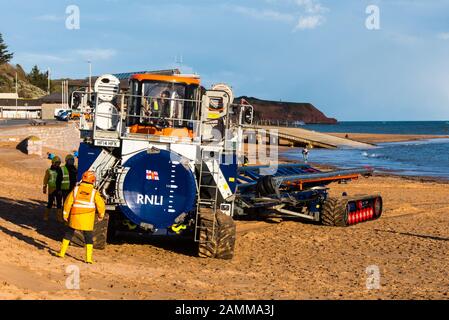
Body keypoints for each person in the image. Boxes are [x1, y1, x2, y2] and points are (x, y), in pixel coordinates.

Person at [56, 171, 105, 264]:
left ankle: (62, 253)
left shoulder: (76, 189)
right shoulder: (94, 192)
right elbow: (101, 205)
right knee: (88, 237)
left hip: (75, 217)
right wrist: (101, 215)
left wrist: (65, 214)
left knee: (69, 233)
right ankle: (88, 259)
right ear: (93, 180)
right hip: (87, 219)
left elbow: (68, 202)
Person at [43, 156, 63, 222]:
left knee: (59, 203)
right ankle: (46, 216)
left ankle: (59, 217)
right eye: (56, 163)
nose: (57, 164)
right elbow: (45, 179)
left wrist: (61, 189)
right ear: (53, 163)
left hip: (58, 189)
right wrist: (44, 187)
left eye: (59, 163)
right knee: (50, 203)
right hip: (51, 189)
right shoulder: (48, 170)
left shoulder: (60, 170)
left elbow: (62, 179)